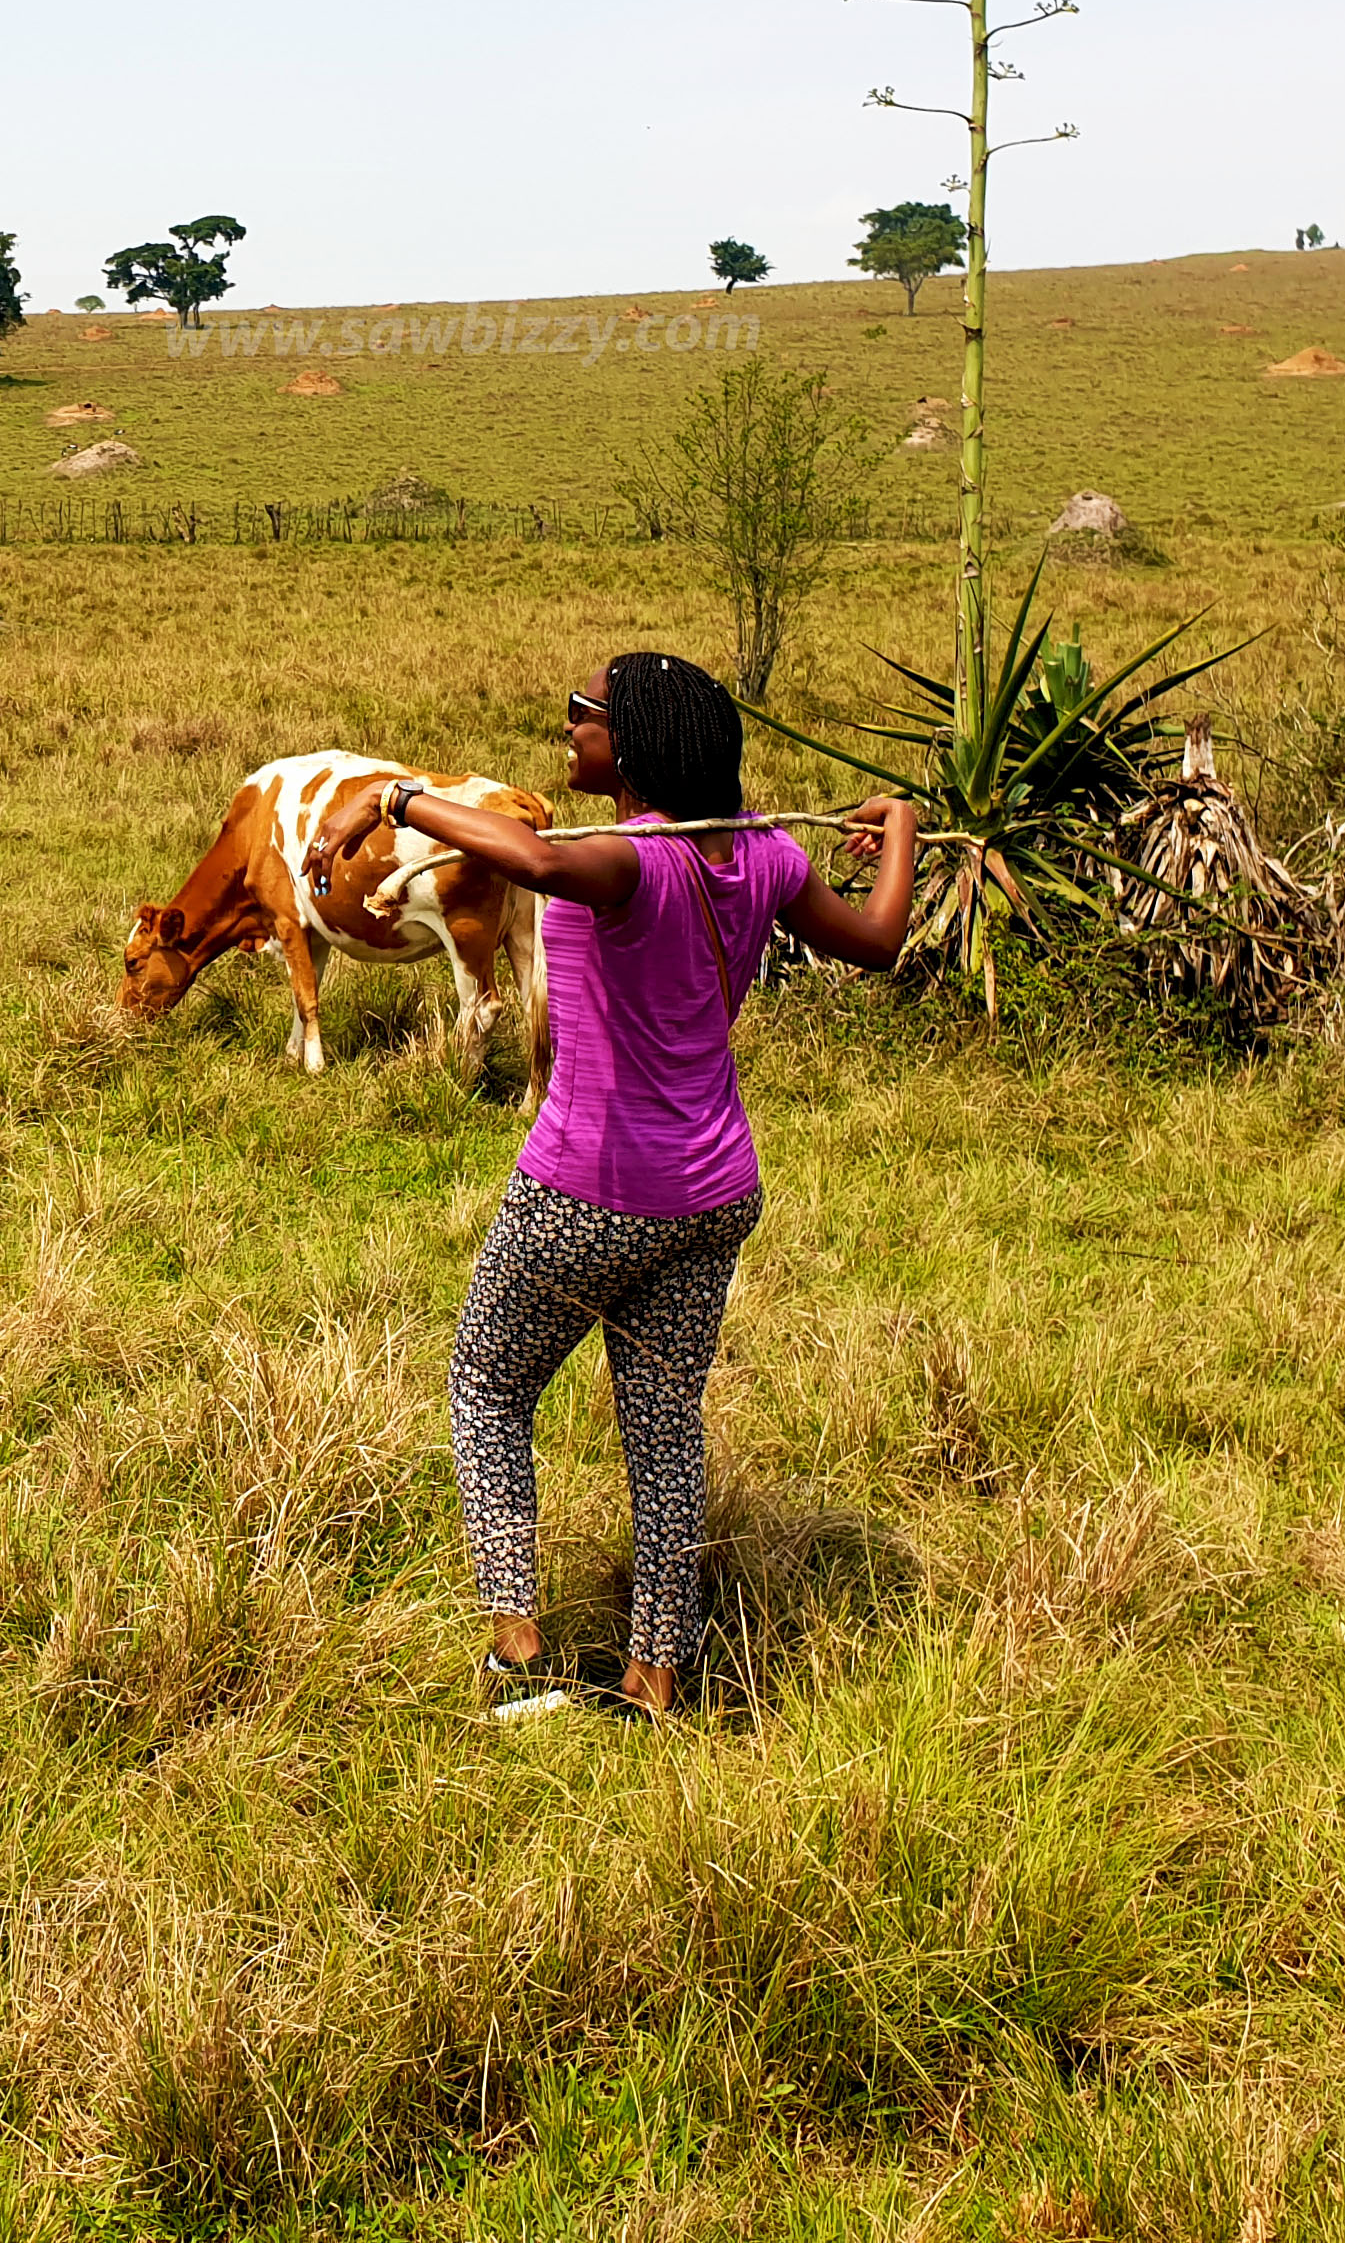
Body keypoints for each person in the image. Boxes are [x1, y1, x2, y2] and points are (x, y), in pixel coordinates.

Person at [306, 650, 916, 1718]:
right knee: (665, 1426)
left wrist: (395, 799)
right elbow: (877, 940)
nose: (568, 728)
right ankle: (655, 1679)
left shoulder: (627, 863)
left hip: (587, 1191)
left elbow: (535, 861)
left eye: (581, 714)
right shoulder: (764, 853)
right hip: (713, 1191)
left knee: (487, 1388)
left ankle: (518, 1653)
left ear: (629, 743)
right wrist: (900, 829)